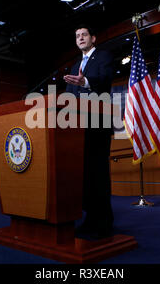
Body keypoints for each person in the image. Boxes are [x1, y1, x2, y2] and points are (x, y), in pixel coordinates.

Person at [64, 25, 114, 238]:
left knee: (98, 173)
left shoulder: (103, 57)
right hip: (78, 128)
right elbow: (69, 97)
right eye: (77, 36)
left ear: (93, 38)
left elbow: (105, 82)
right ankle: (90, 218)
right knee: (84, 175)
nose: (80, 38)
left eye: (84, 34)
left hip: (98, 123)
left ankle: (103, 221)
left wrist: (85, 82)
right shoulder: (75, 65)